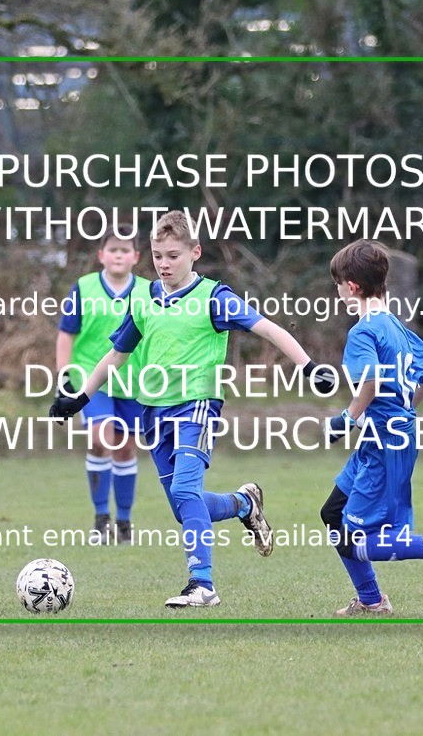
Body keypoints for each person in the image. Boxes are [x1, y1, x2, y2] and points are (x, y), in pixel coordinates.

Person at [50, 210, 334, 608]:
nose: (164, 264)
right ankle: (243, 504)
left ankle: (202, 585)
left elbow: (267, 328)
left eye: (173, 256)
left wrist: (309, 367)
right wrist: (79, 398)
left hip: (197, 405)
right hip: (154, 412)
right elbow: (116, 355)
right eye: (157, 256)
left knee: (185, 489)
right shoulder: (144, 298)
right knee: (186, 507)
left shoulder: (214, 298)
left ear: (194, 253)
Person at [320, 238, 423, 616]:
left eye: (338, 284)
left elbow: (369, 380)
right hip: (389, 437)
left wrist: (348, 418)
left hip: (384, 441)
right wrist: (404, 410)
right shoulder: (399, 330)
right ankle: (371, 599)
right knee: (333, 514)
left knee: (357, 540)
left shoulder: (364, 331)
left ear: (351, 286)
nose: (338, 292)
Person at [52, 227, 149, 544]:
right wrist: (64, 376)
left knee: (124, 448)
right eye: (113, 250)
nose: (119, 255)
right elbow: (66, 334)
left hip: (133, 382)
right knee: (99, 439)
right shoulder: (83, 288)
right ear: (101, 256)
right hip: (92, 380)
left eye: (125, 250)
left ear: (135, 257)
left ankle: (123, 522)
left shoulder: (149, 291)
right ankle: (100, 518)